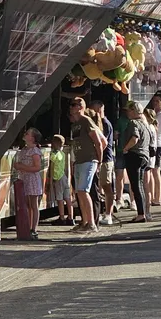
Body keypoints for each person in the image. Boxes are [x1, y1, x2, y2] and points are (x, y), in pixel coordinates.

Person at [69, 97, 105, 233]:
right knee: (79, 192)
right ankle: (84, 221)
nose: (71, 107)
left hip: (89, 160)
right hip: (79, 160)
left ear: (81, 107)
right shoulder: (75, 125)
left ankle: (91, 223)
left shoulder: (86, 121)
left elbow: (99, 141)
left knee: (84, 191)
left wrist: (99, 160)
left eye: (73, 104)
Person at [120, 101, 153, 223]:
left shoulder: (133, 123)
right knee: (140, 186)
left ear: (134, 111)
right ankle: (143, 212)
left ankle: (141, 214)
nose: (127, 113)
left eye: (129, 110)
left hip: (134, 155)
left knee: (136, 186)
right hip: (144, 156)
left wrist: (125, 148)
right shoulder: (145, 124)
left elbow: (135, 138)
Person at [13, 128, 45, 239]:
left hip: (32, 180)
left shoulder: (35, 151)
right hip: (24, 179)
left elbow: (37, 167)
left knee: (33, 204)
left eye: (27, 134)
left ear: (32, 138)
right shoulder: (24, 150)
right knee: (26, 204)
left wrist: (22, 167)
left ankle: (34, 228)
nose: (24, 135)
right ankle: (27, 226)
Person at [90, 101, 117, 226]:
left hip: (106, 159)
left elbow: (103, 142)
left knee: (106, 186)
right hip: (101, 159)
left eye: (94, 110)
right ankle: (101, 212)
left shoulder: (105, 123)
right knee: (99, 187)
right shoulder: (98, 123)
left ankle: (108, 214)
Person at [47, 135, 72, 226]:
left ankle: (62, 217)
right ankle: (70, 217)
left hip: (57, 178)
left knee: (59, 199)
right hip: (64, 177)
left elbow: (52, 167)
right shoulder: (63, 153)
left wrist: (50, 181)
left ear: (55, 143)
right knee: (67, 198)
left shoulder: (53, 155)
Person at [148, 95, 161, 207]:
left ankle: (157, 197)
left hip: (158, 144)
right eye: (154, 101)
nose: (155, 103)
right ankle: (152, 196)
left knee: (155, 171)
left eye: (157, 101)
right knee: (152, 170)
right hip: (154, 144)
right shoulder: (156, 113)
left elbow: (157, 130)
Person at [143, 108, 161, 208]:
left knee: (147, 177)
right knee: (150, 175)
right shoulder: (153, 127)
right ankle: (152, 197)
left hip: (149, 153)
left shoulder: (149, 127)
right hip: (152, 152)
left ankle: (149, 198)